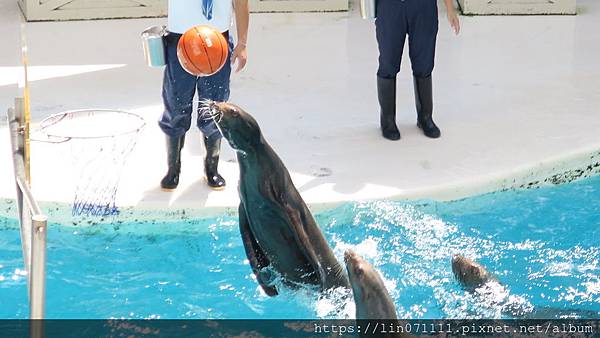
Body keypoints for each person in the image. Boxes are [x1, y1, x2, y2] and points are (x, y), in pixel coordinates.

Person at [159, 0, 249, 191]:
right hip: (180, 39)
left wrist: (242, 42)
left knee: (215, 107)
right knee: (176, 106)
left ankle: (211, 168)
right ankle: (173, 168)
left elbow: (241, 3)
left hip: (217, 41)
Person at [375, 0, 460, 140]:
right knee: (388, 61)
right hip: (391, 6)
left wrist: (450, 9)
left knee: (424, 62)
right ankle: (387, 120)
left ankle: (425, 117)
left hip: (423, 6)